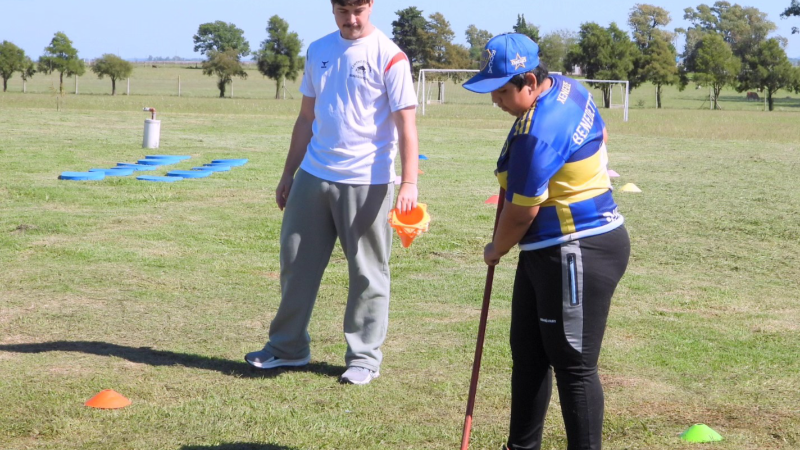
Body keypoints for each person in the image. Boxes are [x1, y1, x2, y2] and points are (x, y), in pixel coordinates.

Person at [462, 33, 630, 450]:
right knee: (530, 356)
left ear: (530, 82)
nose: (495, 100)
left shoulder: (536, 134)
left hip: (577, 249)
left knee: (574, 366)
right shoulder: (568, 87)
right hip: (547, 251)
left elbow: (521, 213)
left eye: (502, 91)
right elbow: (601, 135)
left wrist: (495, 249)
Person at [245, 0, 419, 386]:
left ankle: (363, 358)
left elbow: (407, 126)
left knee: (367, 273)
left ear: (370, 6)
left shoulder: (391, 57)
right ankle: (287, 348)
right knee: (295, 262)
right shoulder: (318, 50)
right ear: (333, 8)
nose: (351, 18)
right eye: (343, 9)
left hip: (367, 179)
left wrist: (409, 182)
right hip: (313, 173)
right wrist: (288, 172)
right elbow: (306, 117)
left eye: (358, 9)